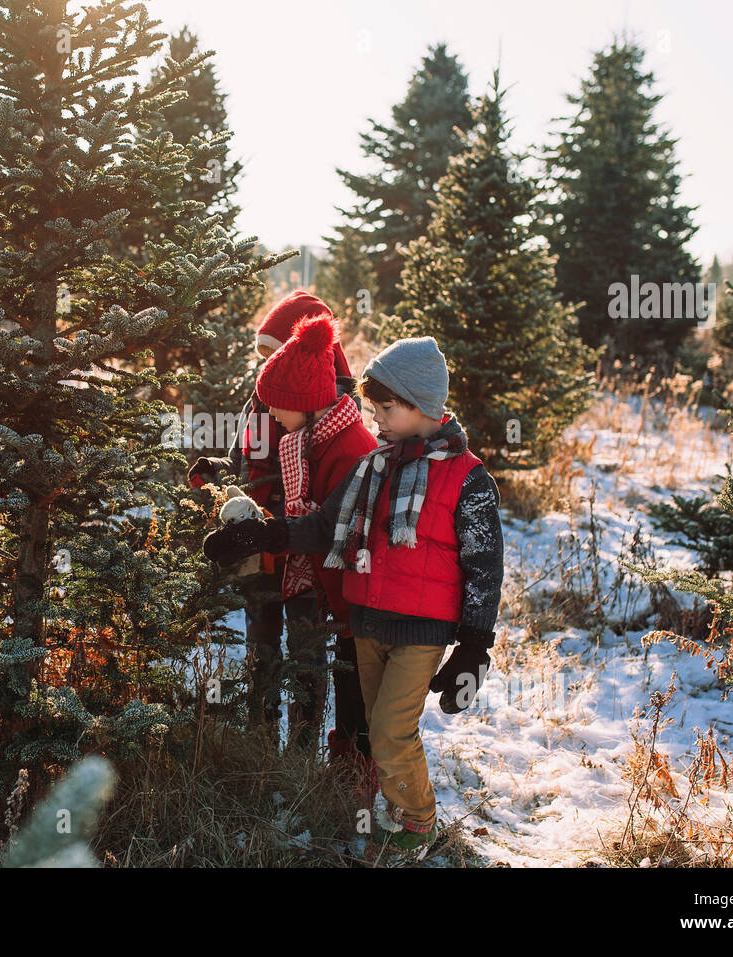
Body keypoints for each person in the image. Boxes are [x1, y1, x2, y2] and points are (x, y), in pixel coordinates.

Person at [202, 335, 505, 853]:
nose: (377, 420)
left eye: (386, 409)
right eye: (373, 409)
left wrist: (475, 647)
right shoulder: (374, 467)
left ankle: (418, 822)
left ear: (423, 406)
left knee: (390, 729)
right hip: (366, 622)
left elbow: (484, 567)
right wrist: (265, 535)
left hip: (421, 629)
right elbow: (323, 525)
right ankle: (392, 811)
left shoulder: (467, 478)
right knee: (377, 728)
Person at [188, 291, 370, 763]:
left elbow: (330, 505)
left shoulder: (326, 407)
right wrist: (219, 469)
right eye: (264, 356)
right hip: (258, 538)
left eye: (271, 353)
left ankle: (302, 745)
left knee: (306, 646)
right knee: (260, 638)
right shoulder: (262, 398)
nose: (265, 363)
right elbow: (241, 455)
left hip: (301, 547)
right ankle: (260, 733)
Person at [247, 314, 377, 752]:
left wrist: (266, 535)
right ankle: (332, 773)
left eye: (277, 404)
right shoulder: (310, 439)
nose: (271, 413)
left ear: (305, 402)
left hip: (358, 599)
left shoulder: (349, 448)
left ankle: (351, 787)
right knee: (344, 687)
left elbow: (327, 528)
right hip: (340, 595)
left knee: (356, 699)